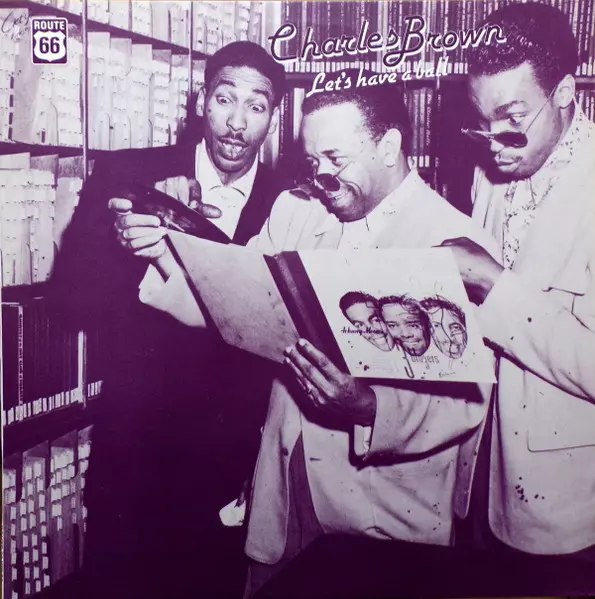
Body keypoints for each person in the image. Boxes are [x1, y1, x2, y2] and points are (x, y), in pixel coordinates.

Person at [111, 72, 501, 596]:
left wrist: (369, 407)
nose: (322, 178)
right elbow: (232, 297)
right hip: (284, 493)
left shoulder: (455, 243)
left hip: (382, 513)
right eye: (312, 161)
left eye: (336, 159)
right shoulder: (297, 210)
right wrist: (161, 248)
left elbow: (466, 403)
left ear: (389, 147)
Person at [49, 41, 290, 599]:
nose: (237, 122)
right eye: (224, 99)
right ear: (201, 100)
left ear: (274, 118)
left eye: (256, 106)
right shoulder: (129, 174)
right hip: (135, 452)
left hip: (231, 463)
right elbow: (72, 297)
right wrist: (124, 247)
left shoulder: (293, 203)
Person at [442, 2, 595, 559]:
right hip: (478, 478)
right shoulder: (493, 172)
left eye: (511, 118)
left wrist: (493, 284)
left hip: (566, 511)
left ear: (565, 92)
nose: (492, 141)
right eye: (481, 120)